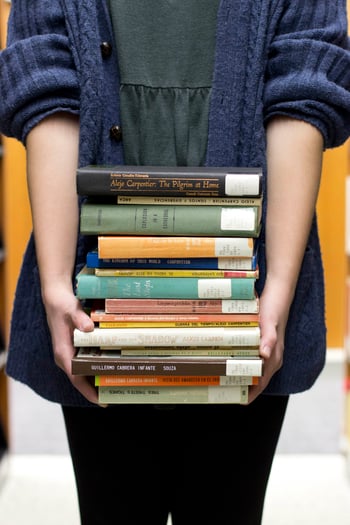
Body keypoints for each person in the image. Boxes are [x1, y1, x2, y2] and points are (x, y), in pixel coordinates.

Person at [1, 1, 350, 524]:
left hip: (248, 292)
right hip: (94, 293)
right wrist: (55, 283)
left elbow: (303, 87)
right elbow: (46, 82)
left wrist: (276, 289)